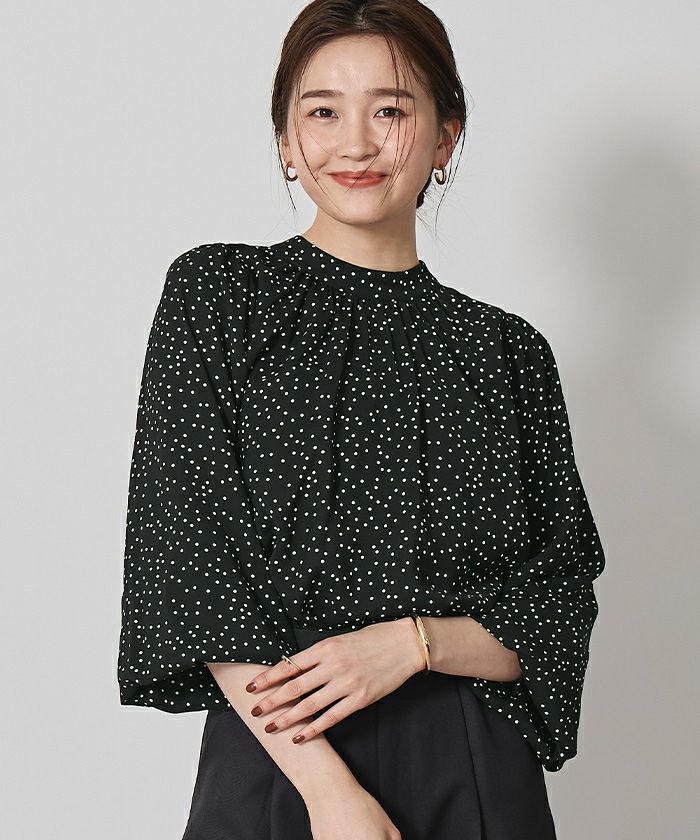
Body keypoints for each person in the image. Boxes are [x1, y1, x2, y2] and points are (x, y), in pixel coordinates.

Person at [117, 1, 606, 838]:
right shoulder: (219, 298)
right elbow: (192, 564)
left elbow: (555, 611)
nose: (354, 143)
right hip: (283, 755)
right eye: (321, 112)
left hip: (475, 763)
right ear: (285, 140)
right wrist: (329, 794)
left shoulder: (507, 352)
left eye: (390, 110)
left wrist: (413, 643)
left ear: (445, 138)